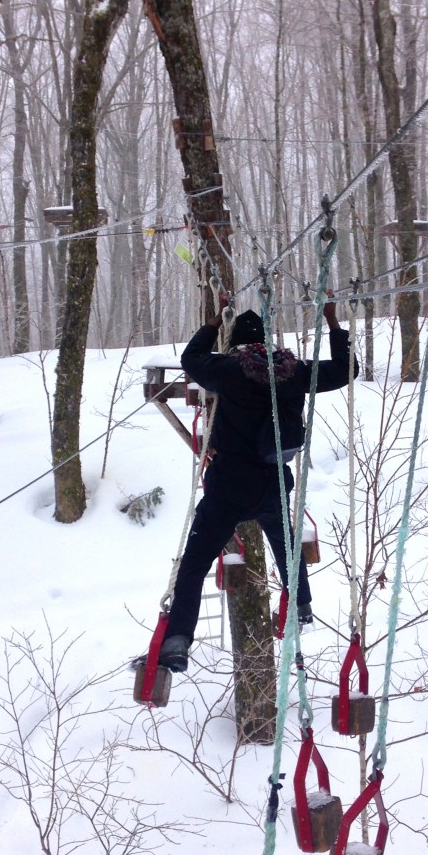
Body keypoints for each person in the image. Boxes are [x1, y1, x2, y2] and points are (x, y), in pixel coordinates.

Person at [140, 289, 356, 674]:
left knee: (195, 563)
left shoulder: (228, 370)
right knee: (286, 547)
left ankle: (177, 641)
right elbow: (345, 370)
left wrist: (214, 321)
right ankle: (301, 606)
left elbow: (191, 358)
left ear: (236, 345)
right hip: (273, 485)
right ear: (269, 343)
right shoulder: (295, 372)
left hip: (228, 490)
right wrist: (331, 319)